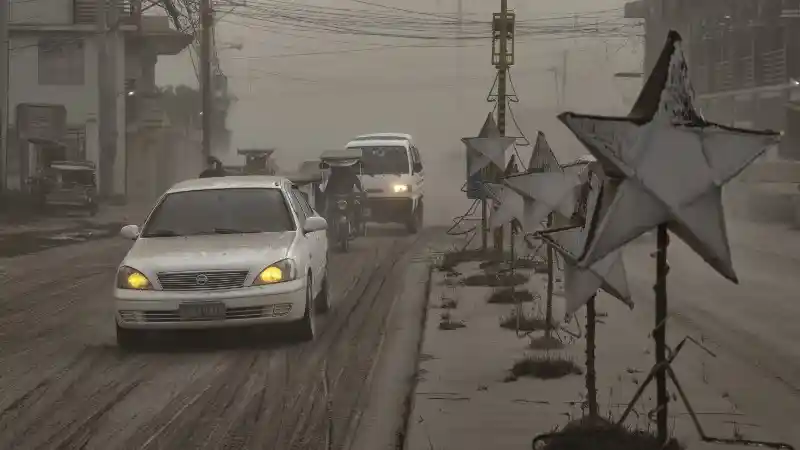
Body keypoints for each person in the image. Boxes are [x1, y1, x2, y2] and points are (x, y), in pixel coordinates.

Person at [323, 164, 365, 234]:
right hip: (341, 197)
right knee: (329, 212)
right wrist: (362, 192)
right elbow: (358, 183)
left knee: (328, 212)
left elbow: (328, 189)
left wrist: (362, 192)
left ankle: (329, 229)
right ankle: (355, 227)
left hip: (342, 197)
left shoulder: (335, 174)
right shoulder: (348, 173)